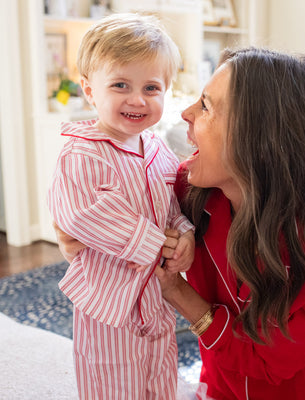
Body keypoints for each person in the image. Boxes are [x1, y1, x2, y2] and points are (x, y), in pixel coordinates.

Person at [55, 47, 305, 400]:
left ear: (261, 139)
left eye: (205, 106)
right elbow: (93, 208)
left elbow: (266, 362)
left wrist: (178, 291)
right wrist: (72, 226)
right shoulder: (189, 190)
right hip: (220, 389)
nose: (186, 113)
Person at [47, 13, 194, 400]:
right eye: (120, 85)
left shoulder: (159, 150)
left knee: (161, 373)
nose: (137, 99)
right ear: (89, 91)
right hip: (108, 302)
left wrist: (185, 236)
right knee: (113, 383)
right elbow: (80, 213)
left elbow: (172, 207)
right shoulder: (81, 153)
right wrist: (154, 242)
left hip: (156, 298)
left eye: (151, 87)